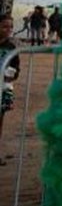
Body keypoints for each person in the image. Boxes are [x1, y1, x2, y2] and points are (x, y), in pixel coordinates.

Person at [1, 14, 19, 165]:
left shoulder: (11, 48)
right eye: (4, 26)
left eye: (11, 27)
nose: (9, 30)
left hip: (2, 89)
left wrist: (11, 75)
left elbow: (16, 68)